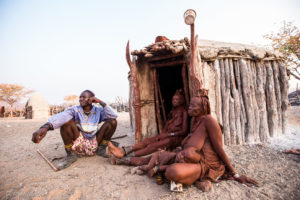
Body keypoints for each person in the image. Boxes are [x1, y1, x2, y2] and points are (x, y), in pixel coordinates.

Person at [158, 92, 259, 191]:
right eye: (190, 105)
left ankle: (195, 178)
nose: (189, 107)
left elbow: (219, 149)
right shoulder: (193, 121)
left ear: (203, 109)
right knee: (161, 156)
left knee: (172, 172)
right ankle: (191, 178)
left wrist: (235, 174)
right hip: (191, 159)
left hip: (207, 165)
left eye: (193, 105)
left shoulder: (209, 121)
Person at [32, 90, 117, 170]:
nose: (80, 99)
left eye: (83, 97)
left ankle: (101, 148)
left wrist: (100, 102)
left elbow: (114, 115)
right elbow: (62, 116)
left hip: (95, 141)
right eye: (80, 97)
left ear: (91, 99)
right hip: (79, 142)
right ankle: (71, 154)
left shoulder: (98, 111)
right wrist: (46, 127)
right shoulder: (75, 110)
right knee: (66, 122)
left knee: (112, 122)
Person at [107, 89, 188, 159]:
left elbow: (184, 131)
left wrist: (170, 134)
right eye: (173, 99)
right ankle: (123, 150)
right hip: (168, 135)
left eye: (176, 100)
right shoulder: (172, 112)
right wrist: (162, 135)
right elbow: (167, 125)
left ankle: (126, 155)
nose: (174, 101)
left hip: (175, 139)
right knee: (147, 141)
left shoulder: (184, 113)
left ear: (181, 101)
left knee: (152, 146)